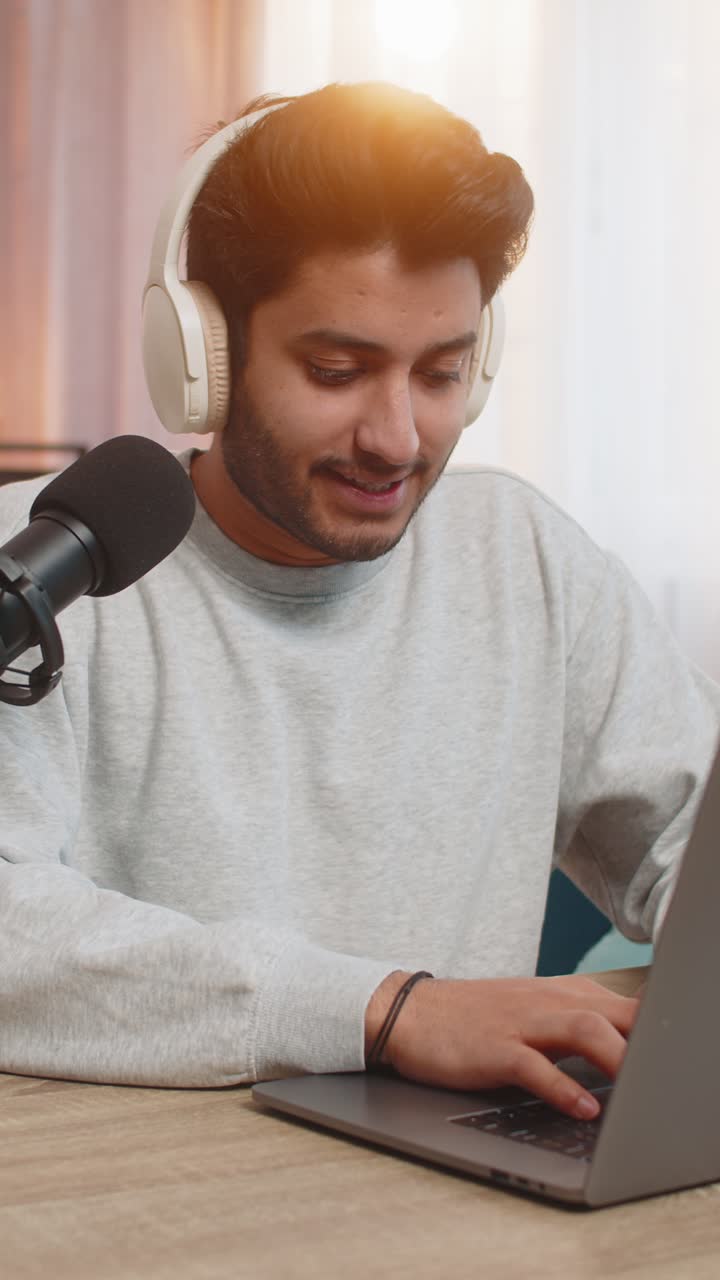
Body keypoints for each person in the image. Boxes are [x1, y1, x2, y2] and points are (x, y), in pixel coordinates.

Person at [1, 82, 717, 1122]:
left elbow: (692, 829)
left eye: (442, 371)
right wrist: (385, 1009)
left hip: (464, 1201)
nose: (398, 437)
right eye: (337, 368)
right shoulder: (43, 564)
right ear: (202, 353)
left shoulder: (521, 556)